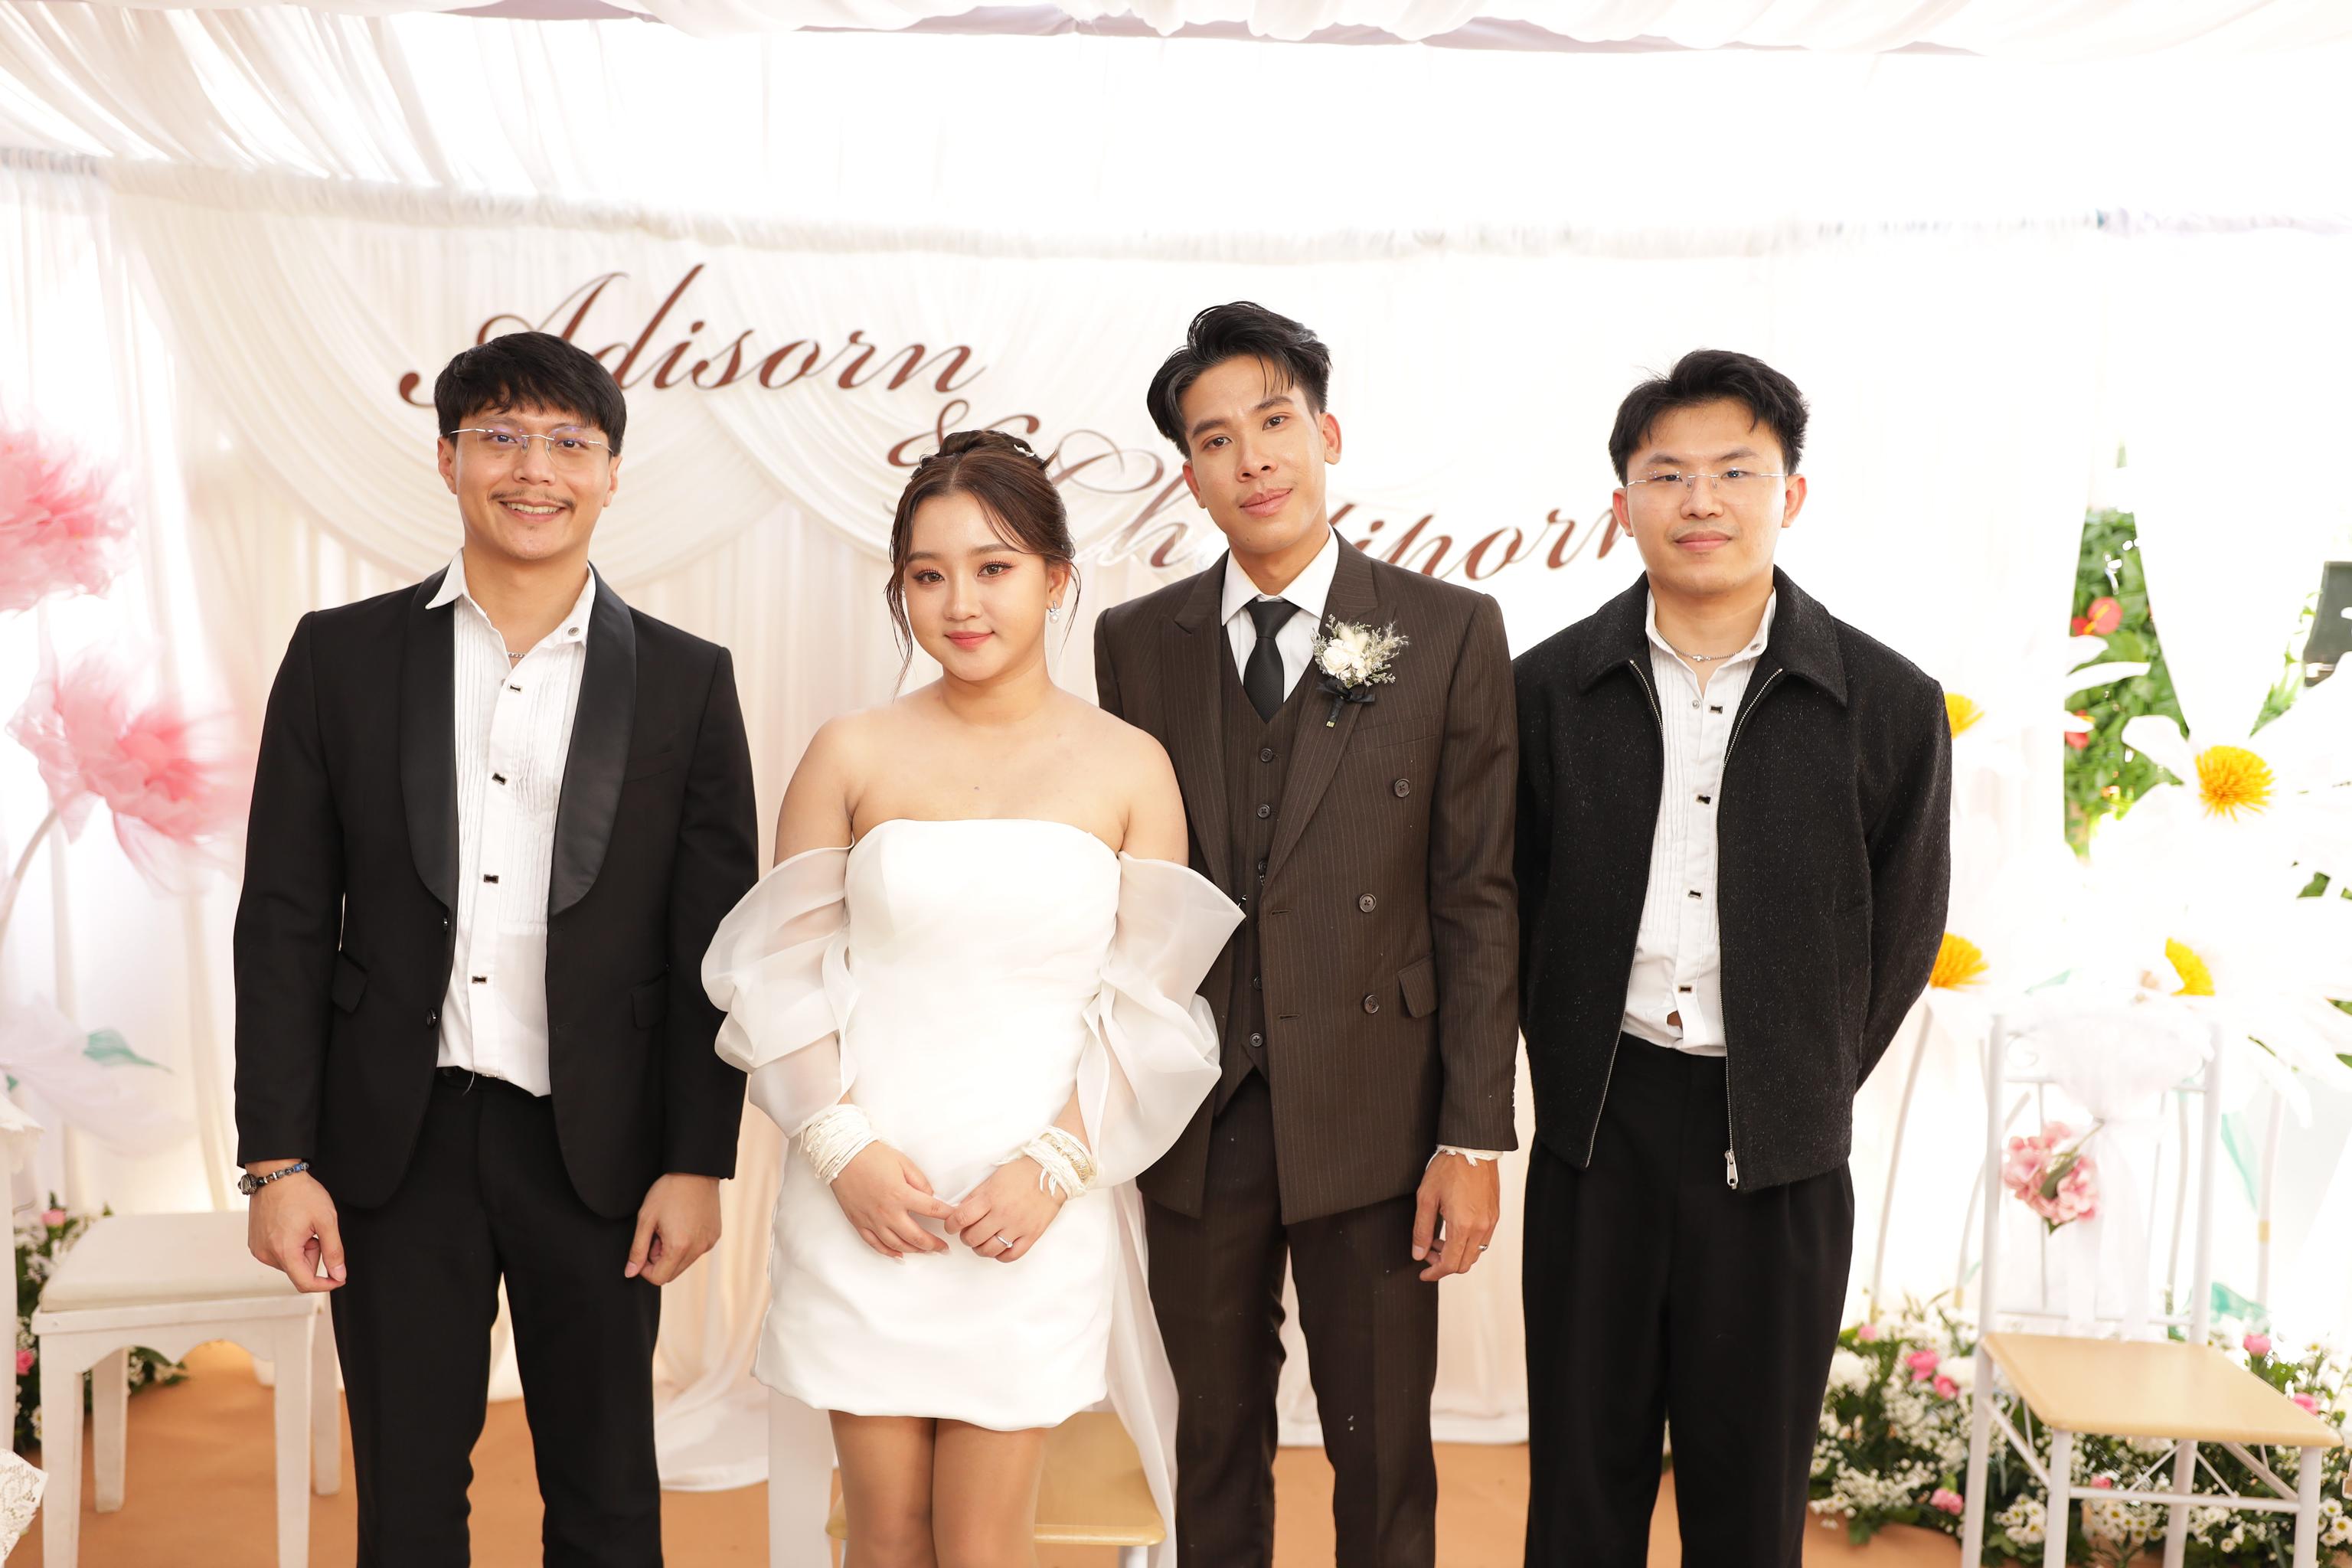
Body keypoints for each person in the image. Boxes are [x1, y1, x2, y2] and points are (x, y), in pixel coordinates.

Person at [233, 330, 759, 1566]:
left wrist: (697, 1159)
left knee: (609, 1498)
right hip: (394, 1143)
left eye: (570, 442)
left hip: (602, 1150)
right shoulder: (339, 657)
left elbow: (711, 942)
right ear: (449, 459)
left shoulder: (687, 681)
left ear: (612, 472)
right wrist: (276, 1160)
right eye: (502, 437)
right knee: (409, 1502)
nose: (536, 468)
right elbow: (286, 916)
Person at [703, 430, 1239, 1567]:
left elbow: (1150, 1009)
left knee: (984, 1544)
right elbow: (778, 976)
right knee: (886, 1538)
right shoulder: (849, 752)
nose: (961, 603)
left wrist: (1056, 1165)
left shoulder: (1131, 764)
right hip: (866, 1191)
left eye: (994, 568)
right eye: (928, 574)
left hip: (1033, 1202)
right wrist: (840, 1146)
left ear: (1056, 577)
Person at [1094, 302, 1520, 1567]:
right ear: (1190, 475)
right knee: (1210, 1446)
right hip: (1200, 1109)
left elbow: (1479, 894)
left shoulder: (1449, 630)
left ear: (1327, 436)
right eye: (1215, 439)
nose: (1253, 459)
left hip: (1378, 1113)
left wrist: (1472, 1135)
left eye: (1275, 422)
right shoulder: (1136, 642)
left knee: (1382, 1458)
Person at [1513, 349, 1952, 1566]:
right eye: (1667, 474)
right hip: (1600, 1127)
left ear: (1789, 495)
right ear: (1624, 503)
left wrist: (1797, 1077)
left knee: (1751, 1502)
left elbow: (1904, 928)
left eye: (1734, 472)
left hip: (1780, 1151)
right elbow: (1512, 902)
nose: (1699, 500)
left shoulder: (1887, 701)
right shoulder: (1546, 690)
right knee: (1580, 1491)